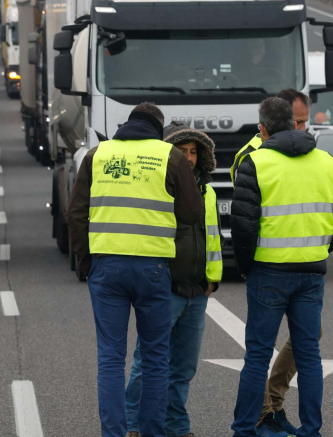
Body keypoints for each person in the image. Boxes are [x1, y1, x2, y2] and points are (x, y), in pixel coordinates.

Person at [67, 102, 204, 437]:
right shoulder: (168, 156)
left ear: (126, 124)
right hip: (152, 269)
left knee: (111, 359)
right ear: (158, 129)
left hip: (107, 268)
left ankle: (113, 433)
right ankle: (153, 432)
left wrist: (87, 263)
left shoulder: (97, 155)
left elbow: (75, 215)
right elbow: (191, 214)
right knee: (157, 358)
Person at [230, 97, 333, 437]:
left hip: (268, 273)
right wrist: (317, 249)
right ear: (295, 123)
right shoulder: (326, 162)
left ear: (263, 128)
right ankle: (311, 430)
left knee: (257, 356)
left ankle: (244, 430)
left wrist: (247, 267)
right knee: (309, 355)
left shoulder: (256, 162)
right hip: (311, 274)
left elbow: (243, 226)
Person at [120, 122, 221, 437]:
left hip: (197, 291)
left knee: (183, 369)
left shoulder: (208, 191)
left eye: (193, 152)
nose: (189, 158)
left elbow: (212, 238)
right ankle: (134, 424)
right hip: (165, 289)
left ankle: (176, 427)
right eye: (182, 152)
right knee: (146, 363)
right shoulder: (157, 189)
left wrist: (213, 278)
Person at [254, 89, 321, 437]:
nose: (302, 128)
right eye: (296, 121)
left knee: (308, 339)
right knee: (260, 348)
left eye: (306, 122)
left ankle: (272, 403)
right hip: (270, 265)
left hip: (305, 264)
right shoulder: (252, 155)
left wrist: (318, 244)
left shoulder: (315, 155)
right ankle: (264, 413)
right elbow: (245, 218)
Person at [231, 88, 312, 183]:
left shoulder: (308, 148)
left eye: (305, 122)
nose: (303, 129)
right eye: (298, 122)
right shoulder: (249, 155)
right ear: (280, 115)